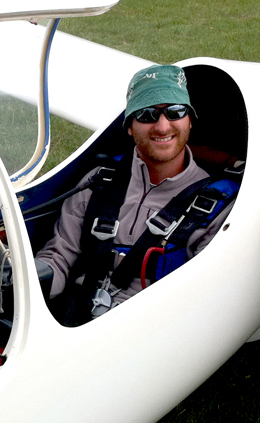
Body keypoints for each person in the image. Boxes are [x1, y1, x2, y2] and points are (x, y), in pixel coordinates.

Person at [36, 64, 239, 326]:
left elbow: (203, 301)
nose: (163, 126)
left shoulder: (217, 208)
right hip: (77, 317)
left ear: (189, 121)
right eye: (146, 115)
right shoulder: (98, 183)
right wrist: (25, 282)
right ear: (130, 127)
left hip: (153, 329)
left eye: (175, 112)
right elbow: (59, 257)